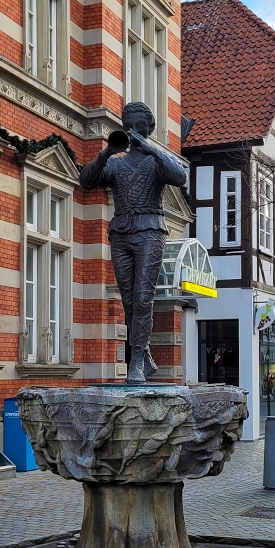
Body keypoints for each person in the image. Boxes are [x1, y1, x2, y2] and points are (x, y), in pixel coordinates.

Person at [79, 102, 187, 382]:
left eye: (139, 125)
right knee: (129, 300)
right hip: (121, 232)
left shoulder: (155, 161)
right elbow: (86, 180)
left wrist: (153, 149)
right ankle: (144, 353)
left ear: (148, 129)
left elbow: (180, 176)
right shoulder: (115, 164)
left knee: (142, 298)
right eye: (128, 125)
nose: (133, 130)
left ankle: (136, 359)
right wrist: (105, 153)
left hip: (150, 231)